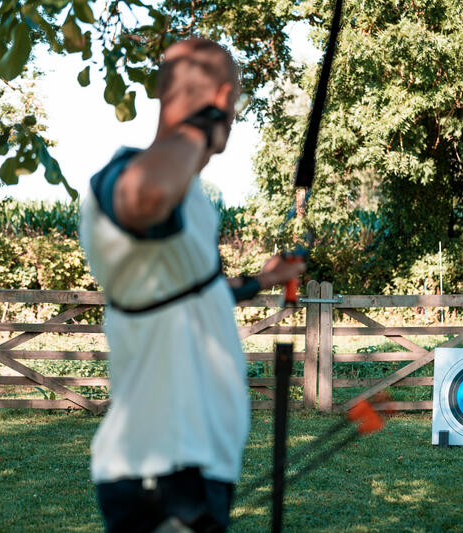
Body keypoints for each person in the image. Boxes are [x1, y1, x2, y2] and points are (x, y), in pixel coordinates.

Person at [79, 38, 305, 533]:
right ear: (223, 98)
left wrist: (261, 280)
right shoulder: (119, 179)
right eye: (237, 103)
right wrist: (205, 125)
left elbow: (188, 297)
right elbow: (146, 194)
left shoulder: (191, 203)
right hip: (161, 467)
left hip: (196, 462)